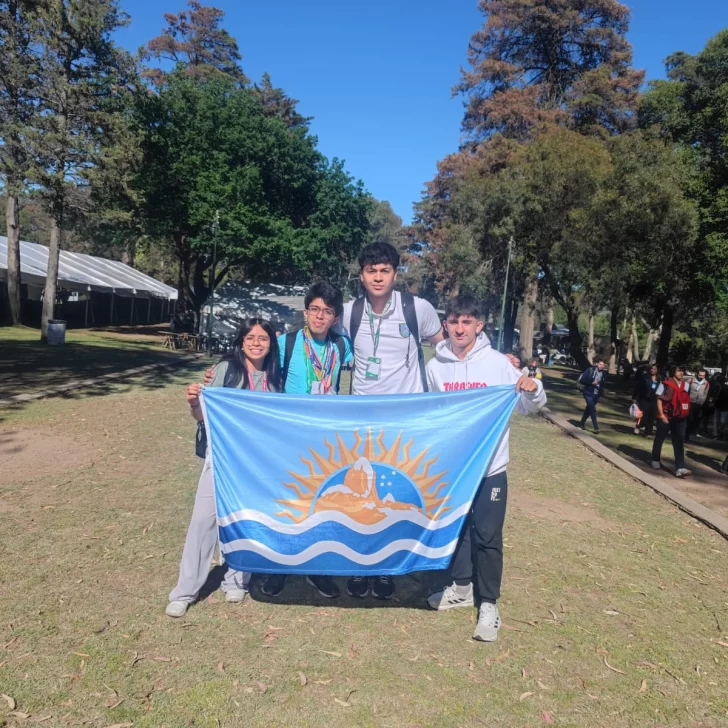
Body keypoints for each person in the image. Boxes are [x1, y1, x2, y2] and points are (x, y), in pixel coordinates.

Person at [424, 295, 546, 642]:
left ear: (479, 326)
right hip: (455, 469)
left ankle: (489, 604)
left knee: (488, 536)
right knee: (458, 529)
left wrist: (533, 387)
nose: (459, 328)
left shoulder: (497, 364)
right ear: (445, 324)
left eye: (467, 322)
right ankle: (462, 588)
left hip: (490, 468)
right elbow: (434, 412)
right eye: (453, 321)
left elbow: (528, 405)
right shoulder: (436, 366)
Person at [341, 241, 444, 600]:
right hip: (363, 421)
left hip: (406, 423)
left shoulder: (419, 308)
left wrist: (493, 358)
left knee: (394, 494)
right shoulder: (349, 312)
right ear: (362, 275)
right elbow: (314, 336)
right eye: (372, 271)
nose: (378, 277)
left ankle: (386, 570)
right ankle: (361, 565)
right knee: (361, 497)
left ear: (396, 274)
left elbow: (446, 346)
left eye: (385, 270)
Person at [166, 319, 282, 618]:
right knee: (203, 522)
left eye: (263, 338)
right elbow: (203, 415)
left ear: (271, 344)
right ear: (241, 341)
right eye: (250, 337)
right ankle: (185, 591)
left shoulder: (275, 378)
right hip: (222, 461)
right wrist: (194, 402)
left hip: (257, 464)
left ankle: (237, 579)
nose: (257, 343)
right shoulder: (224, 370)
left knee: (247, 521)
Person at [257, 281, 353, 599]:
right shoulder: (285, 343)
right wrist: (217, 372)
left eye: (327, 311)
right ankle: (279, 568)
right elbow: (254, 367)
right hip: (290, 437)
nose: (319, 316)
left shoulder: (342, 347)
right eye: (314, 309)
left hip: (326, 441)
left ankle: (316, 567)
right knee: (287, 505)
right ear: (305, 311)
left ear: (335, 317)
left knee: (321, 506)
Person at [652, 365, 692, 478]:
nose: (681, 373)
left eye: (682, 371)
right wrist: (661, 414)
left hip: (680, 418)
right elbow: (659, 399)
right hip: (666, 416)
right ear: (673, 372)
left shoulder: (686, 385)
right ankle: (655, 459)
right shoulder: (665, 383)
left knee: (679, 441)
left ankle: (680, 468)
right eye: (679, 371)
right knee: (660, 438)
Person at [578, 358, 606, 434]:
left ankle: (581, 423)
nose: (601, 366)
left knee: (589, 409)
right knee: (593, 409)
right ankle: (596, 428)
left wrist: (602, 391)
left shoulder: (603, 373)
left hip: (596, 394)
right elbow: (582, 380)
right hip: (587, 392)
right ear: (597, 364)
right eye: (600, 364)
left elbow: (602, 383)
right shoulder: (590, 370)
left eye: (603, 365)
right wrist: (592, 383)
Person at [632, 364, 660, 437]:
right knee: (644, 415)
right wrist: (634, 397)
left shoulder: (659, 378)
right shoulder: (645, 377)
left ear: (657, 371)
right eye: (651, 369)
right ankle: (638, 426)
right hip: (644, 398)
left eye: (654, 369)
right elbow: (637, 386)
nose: (652, 370)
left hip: (654, 399)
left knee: (651, 416)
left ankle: (648, 433)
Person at [685, 367, 710, 443]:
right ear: (697, 374)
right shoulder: (690, 380)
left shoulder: (706, 383)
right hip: (690, 402)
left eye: (703, 375)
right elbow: (685, 391)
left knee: (696, 420)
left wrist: (702, 401)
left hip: (699, 404)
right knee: (688, 419)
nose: (701, 377)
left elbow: (705, 394)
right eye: (700, 375)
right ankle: (685, 435)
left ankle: (689, 434)